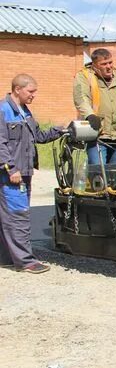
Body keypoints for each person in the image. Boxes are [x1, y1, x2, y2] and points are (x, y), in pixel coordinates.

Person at [0, 75, 66, 273]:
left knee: (8, 216)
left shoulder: (24, 112)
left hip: (24, 172)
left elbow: (38, 136)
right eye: (31, 91)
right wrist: (10, 168)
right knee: (18, 215)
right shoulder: (3, 111)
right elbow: (0, 143)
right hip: (11, 174)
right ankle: (26, 262)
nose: (34, 95)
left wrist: (60, 130)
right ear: (17, 89)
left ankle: (6, 258)